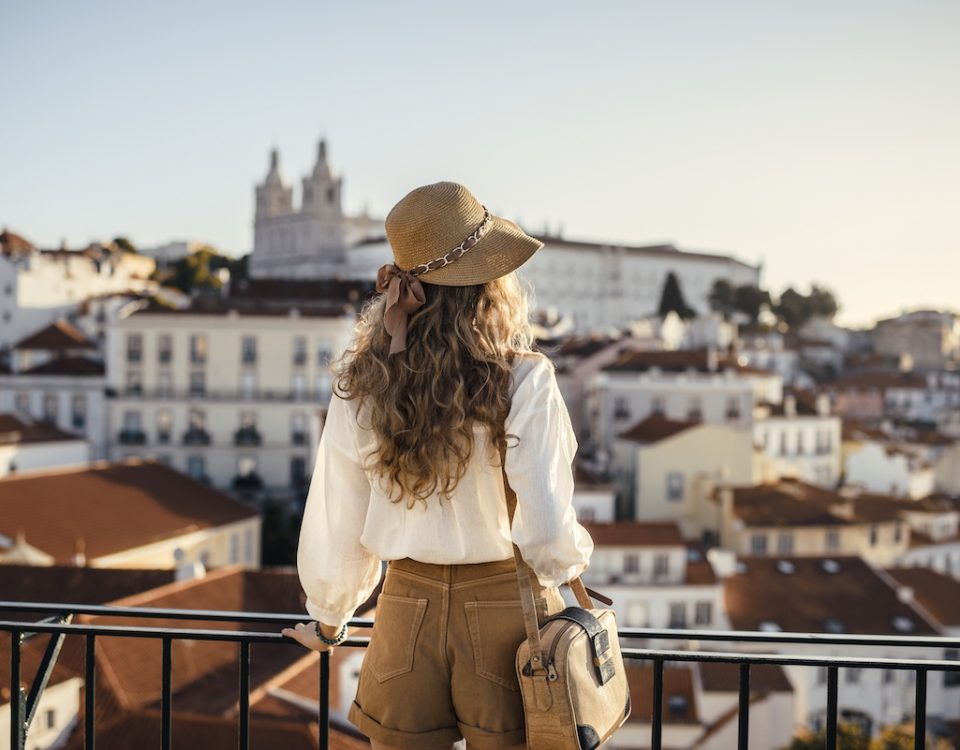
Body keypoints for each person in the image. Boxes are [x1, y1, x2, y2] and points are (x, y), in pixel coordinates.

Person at [281, 181, 593, 750]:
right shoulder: (525, 378)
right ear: (490, 285)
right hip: (509, 616)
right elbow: (546, 528)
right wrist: (572, 567)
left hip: (403, 613)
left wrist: (329, 619)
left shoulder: (363, 385)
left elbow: (338, 517)